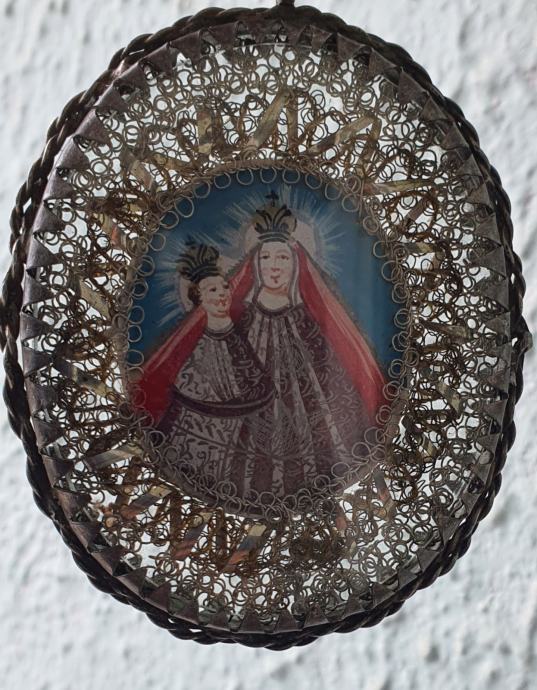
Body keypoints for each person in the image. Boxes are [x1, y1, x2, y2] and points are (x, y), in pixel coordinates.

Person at [147, 242, 274, 501]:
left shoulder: (245, 336)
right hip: (204, 445)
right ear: (199, 299)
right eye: (212, 290)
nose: (222, 294)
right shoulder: (194, 347)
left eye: (224, 287)